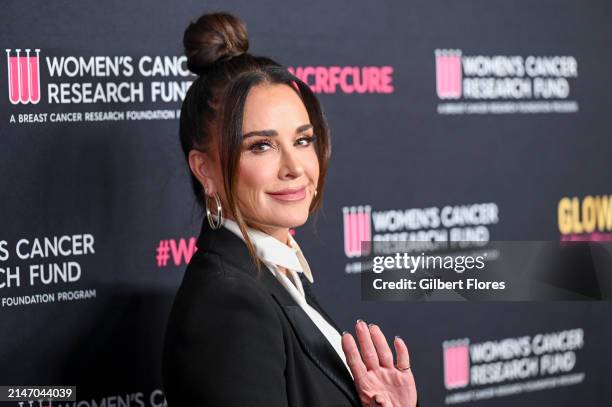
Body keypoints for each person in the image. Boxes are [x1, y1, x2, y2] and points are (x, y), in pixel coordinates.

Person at [162, 11, 418, 407]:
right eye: (260, 146)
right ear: (204, 169)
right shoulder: (229, 305)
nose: (295, 168)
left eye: (303, 140)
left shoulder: (274, 275)